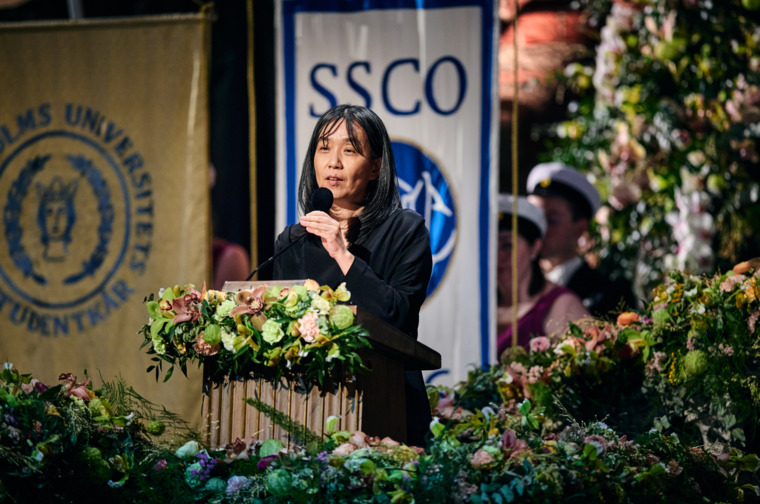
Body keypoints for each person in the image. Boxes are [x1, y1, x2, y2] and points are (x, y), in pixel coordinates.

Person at [272, 104, 433, 446]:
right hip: (305, 410)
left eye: (350, 150)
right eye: (324, 148)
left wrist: (343, 254)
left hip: (387, 410)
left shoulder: (405, 230)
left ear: (375, 167)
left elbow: (398, 317)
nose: (334, 162)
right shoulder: (293, 241)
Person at [526, 162, 636, 318]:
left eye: (552, 220)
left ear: (579, 228)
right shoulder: (514, 284)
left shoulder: (609, 295)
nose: (541, 229)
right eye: (536, 219)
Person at [496, 194, 589, 361]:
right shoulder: (474, 305)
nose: (497, 256)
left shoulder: (561, 306)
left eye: (507, 245)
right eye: (490, 246)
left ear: (535, 247)